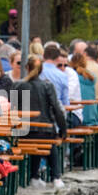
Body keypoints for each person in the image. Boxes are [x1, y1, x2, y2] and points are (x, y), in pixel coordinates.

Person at [16, 57, 69, 186]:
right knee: (50, 144)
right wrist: (63, 130)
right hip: (45, 130)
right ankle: (56, 177)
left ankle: (34, 176)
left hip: (24, 132)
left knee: (36, 142)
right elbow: (57, 109)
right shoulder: (47, 85)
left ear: (26, 68)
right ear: (41, 70)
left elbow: (13, 108)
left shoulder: (18, 85)